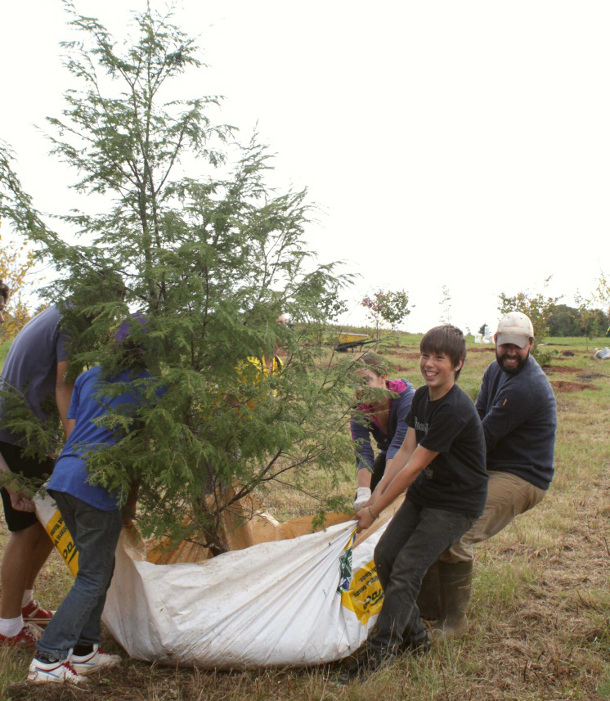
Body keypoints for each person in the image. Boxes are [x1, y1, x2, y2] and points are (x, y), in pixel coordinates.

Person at [342, 325, 487, 680]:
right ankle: (416, 638)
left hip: (456, 502)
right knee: (384, 556)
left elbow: (416, 465)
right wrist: (370, 499)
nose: (429, 363)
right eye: (425, 355)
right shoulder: (422, 397)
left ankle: (381, 653)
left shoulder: (455, 408)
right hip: (428, 493)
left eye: (439, 357)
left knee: (407, 568)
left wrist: (375, 512)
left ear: (458, 364)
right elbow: (403, 451)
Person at [27, 320, 154, 685]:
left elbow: (77, 424)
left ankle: (85, 651)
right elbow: (142, 450)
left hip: (65, 478)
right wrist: (129, 506)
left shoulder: (89, 376)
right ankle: (49, 659)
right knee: (92, 576)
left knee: (99, 570)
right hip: (96, 484)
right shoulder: (151, 386)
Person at [435, 311, 557, 637]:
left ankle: (454, 624)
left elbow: (481, 441)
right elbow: (474, 422)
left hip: (523, 476)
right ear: (496, 343)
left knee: (458, 531)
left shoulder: (526, 387)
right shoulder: (494, 370)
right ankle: (430, 608)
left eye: (519, 345)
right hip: (492, 466)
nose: (511, 352)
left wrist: (437, 466)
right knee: (439, 517)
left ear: (530, 345)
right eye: (506, 345)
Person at [0, 302, 74, 647]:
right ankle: (7, 627)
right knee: (26, 528)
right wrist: (74, 446)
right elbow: (64, 386)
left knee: (47, 522)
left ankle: (25, 603)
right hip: (15, 436)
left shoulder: (55, 315)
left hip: (33, 436)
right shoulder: (71, 320)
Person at [350, 353, 415, 510]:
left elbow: (399, 446)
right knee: (365, 497)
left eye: (366, 381)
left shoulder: (406, 399)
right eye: (355, 383)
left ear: (382, 377)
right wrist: (364, 493)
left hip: (418, 454)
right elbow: (363, 450)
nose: (360, 389)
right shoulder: (359, 409)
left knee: (398, 500)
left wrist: (382, 493)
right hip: (389, 454)